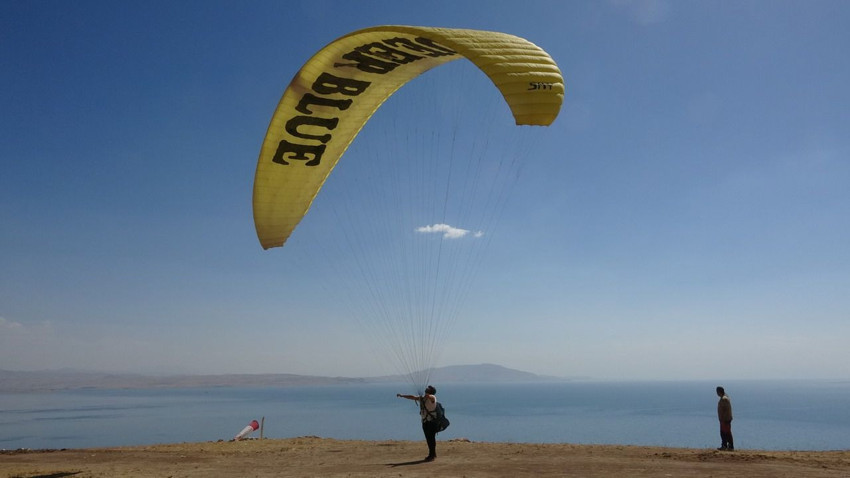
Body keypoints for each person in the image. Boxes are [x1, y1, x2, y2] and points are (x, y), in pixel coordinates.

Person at [397, 385, 440, 461]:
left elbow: (431, 397)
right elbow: (412, 397)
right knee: (428, 438)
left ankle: (432, 455)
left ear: (430, 391)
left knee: (431, 438)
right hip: (425, 422)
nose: (426, 388)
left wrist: (426, 395)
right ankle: (432, 454)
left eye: (428, 388)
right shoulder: (422, 399)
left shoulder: (433, 397)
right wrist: (402, 396)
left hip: (432, 422)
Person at [716, 386, 734, 451]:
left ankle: (729, 446)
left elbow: (726, 410)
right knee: (724, 432)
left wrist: (723, 419)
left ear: (719, 392)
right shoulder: (724, 398)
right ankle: (725, 445)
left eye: (717, 391)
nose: (716, 393)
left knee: (726, 433)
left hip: (725, 419)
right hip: (724, 419)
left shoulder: (724, 399)